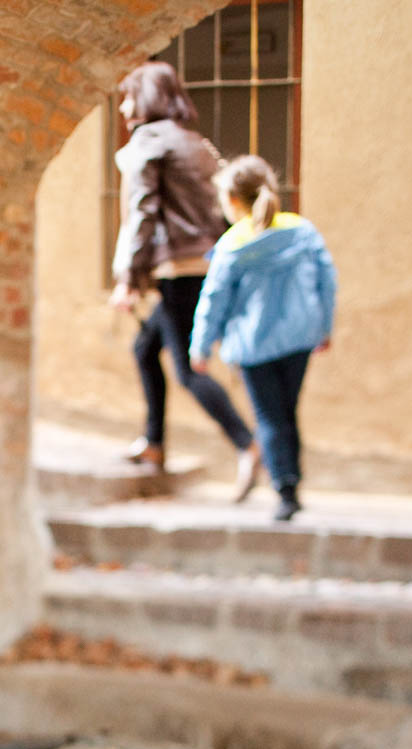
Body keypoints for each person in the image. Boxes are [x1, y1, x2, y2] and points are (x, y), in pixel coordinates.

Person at [109, 61, 261, 500]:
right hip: (205, 263)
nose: (122, 106)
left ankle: (247, 445)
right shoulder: (196, 143)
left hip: (178, 269)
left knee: (189, 369)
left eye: (129, 95)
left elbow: (141, 212)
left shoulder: (150, 142)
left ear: (147, 97)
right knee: (144, 348)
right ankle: (154, 444)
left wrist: (126, 278)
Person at [189, 156, 336, 523]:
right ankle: (291, 481)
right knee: (287, 411)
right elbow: (327, 280)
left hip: (254, 346)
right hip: (300, 338)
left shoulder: (233, 243)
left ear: (233, 201)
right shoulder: (301, 230)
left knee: (270, 416)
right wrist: (324, 327)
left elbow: (214, 300)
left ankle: (285, 489)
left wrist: (200, 345)